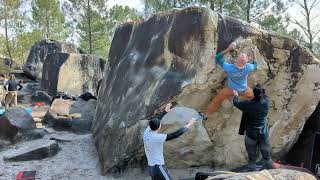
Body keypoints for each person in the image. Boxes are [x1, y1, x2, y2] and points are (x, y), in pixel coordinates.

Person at [143, 103, 197, 180]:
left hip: (151, 167)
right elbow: (175, 134)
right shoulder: (157, 137)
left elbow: (157, 120)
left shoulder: (146, 132)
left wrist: (165, 111)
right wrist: (189, 124)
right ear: (159, 127)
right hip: (159, 167)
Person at [207, 42, 257, 115]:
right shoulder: (248, 67)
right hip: (244, 90)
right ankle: (254, 112)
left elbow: (218, 57)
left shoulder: (229, 67)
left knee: (217, 100)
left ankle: (208, 113)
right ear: (246, 62)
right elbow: (255, 65)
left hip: (231, 90)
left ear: (236, 60)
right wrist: (254, 54)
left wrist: (229, 48)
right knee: (254, 97)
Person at [233, 84, 274, 171]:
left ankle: (251, 170)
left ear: (254, 94)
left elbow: (236, 103)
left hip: (251, 134)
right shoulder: (266, 102)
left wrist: (236, 95)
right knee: (267, 157)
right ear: (263, 94)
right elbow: (262, 95)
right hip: (263, 134)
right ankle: (271, 171)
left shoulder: (248, 104)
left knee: (252, 158)